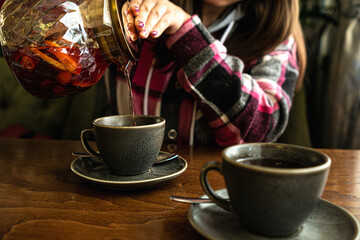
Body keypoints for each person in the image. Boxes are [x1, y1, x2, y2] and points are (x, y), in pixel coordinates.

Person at [104, 0, 306, 146]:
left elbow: (260, 129)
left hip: (216, 192)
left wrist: (187, 34)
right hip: (126, 189)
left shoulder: (275, 39)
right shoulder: (136, 7)